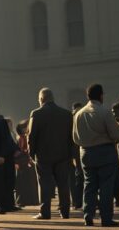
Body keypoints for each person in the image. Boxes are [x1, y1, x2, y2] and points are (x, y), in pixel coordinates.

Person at [72, 84, 119, 227]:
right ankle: (106, 218)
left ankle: (88, 215)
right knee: (106, 186)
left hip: (86, 153)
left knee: (89, 185)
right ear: (101, 95)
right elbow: (116, 134)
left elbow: (75, 138)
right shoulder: (105, 112)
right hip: (105, 152)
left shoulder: (79, 114)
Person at [27, 87, 75, 220]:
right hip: (63, 155)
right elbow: (71, 136)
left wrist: (31, 154)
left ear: (41, 99)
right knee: (63, 184)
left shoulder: (36, 113)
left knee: (45, 184)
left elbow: (32, 136)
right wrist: (71, 154)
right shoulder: (66, 114)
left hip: (43, 155)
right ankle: (65, 212)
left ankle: (45, 212)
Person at [13, 120, 39, 208]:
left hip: (25, 162)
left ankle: (28, 200)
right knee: (26, 182)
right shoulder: (22, 137)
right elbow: (22, 150)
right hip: (24, 162)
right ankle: (27, 200)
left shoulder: (23, 137)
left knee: (28, 181)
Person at [70, 102, 85, 210]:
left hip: (81, 152)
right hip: (77, 153)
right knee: (79, 178)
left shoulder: (74, 119)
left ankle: (78, 201)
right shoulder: (74, 120)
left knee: (81, 178)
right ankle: (77, 201)